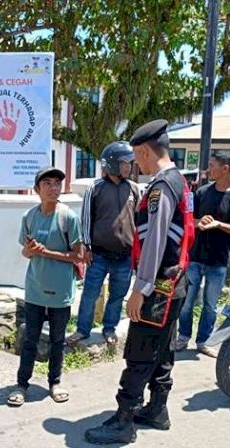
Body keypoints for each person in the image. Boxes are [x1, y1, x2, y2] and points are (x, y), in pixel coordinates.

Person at [84, 119, 195, 445]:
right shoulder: (180, 181)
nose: (135, 165)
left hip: (159, 285)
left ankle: (123, 421)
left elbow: (156, 242)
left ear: (146, 151)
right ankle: (157, 409)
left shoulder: (161, 188)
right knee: (162, 349)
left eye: (136, 157)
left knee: (140, 351)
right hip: (176, 282)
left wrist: (140, 289)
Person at [6, 166, 83, 407]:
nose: (53, 188)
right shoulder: (28, 216)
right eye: (47, 183)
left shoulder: (68, 217)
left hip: (61, 290)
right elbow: (25, 252)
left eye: (57, 184)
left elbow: (78, 255)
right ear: (37, 188)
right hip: (35, 288)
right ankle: (22, 384)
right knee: (30, 338)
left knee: (58, 340)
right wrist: (31, 250)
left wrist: (46, 252)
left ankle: (55, 382)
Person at [176, 150, 230, 357]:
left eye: (212, 165)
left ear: (225, 168)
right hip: (195, 257)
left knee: (210, 303)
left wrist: (218, 224)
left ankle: (204, 341)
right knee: (187, 301)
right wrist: (200, 223)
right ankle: (183, 336)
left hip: (218, 260)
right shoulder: (202, 192)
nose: (208, 170)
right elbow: (189, 221)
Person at [66, 141, 138, 346]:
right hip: (98, 255)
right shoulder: (95, 188)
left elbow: (139, 219)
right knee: (90, 294)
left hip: (124, 256)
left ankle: (109, 328)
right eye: (125, 163)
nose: (128, 167)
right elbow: (86, 218)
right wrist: (86, 246)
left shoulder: (133, 188)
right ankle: (82, 330)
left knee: (118, 295)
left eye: (129, 163)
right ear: (112, 163)